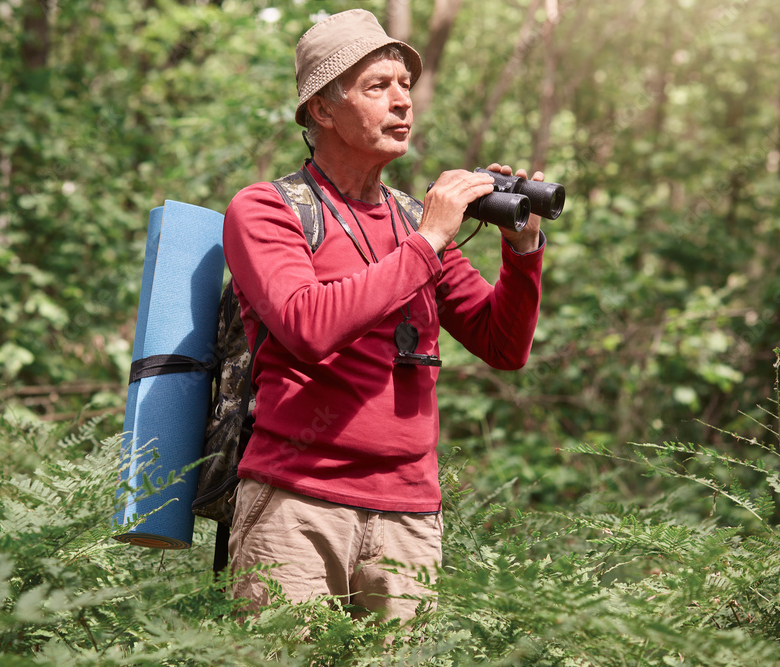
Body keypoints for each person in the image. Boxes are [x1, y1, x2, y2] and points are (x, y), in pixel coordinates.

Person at [222, 8, 546, 623]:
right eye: (378, 87)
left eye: (406, 86)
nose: (402, 103)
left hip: (410, 515)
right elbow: (306, 326)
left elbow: (504, 346)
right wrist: (427, 243)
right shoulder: (267, 210)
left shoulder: (410, 221)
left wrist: (522, 249)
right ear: (322, 109)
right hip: (297, 504)